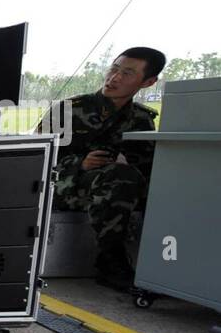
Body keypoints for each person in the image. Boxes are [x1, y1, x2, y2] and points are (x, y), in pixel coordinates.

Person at [39, 47, 163, 290]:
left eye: (127, 73)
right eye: (114, 69)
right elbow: (38, 159)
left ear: (148, 82)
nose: (115, 78)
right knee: (120, 177)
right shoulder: (69, 110)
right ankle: (111, 260)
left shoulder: (142, 119)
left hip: (116, 192)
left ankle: (166, 259)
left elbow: (149, 167)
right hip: (66, 187)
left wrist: (126, 162)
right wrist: (80, 164)